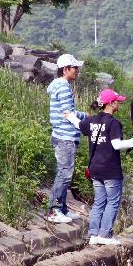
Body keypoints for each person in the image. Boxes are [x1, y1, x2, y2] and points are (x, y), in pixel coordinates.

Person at [65, 88, 133, 246]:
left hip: (95, 168)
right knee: (113, 202)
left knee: (99, 202)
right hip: (110, 169)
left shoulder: (92, 120)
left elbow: (79, 124)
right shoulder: (113, 123)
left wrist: (69, 116)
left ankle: (93, 235)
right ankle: (105, 234)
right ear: (111, 103)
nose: (119, 104)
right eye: (117, 101)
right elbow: (116, 145)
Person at [46, 54, 86, 224]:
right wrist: (84, 119)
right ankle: (54, 210)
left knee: (64, 172)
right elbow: (67, 113)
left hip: (62, 136)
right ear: (65, 69)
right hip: (65, 137)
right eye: (75, 67)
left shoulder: (60, 85)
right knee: (64, 173)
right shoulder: (63, 86)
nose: (77, 71)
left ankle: (62, 208)